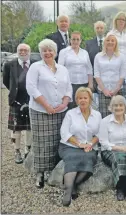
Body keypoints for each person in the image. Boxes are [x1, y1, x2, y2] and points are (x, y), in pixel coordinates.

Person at [26, 38, 72, 188]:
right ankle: (40, 173)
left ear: (55, 52)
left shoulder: (63, 69)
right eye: (44, 50)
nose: (47, 53)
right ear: (40, 53)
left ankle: (52, 171)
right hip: (40, 111)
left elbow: (68, 88)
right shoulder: (35, 67)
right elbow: (31, 88)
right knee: (41, 143)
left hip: (60, 111)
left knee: (56, 141)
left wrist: (65, 103)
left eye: (50, 50)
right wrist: (46, 106)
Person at [59, 87, 101, 206]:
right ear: (76, 100)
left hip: (89, 146)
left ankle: (74, 185)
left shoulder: (97, 115)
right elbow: (64, 132)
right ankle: (68, 191)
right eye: (80, 98)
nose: (83, 100)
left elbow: (99, 134)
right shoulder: (70, 114)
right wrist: (79, 144)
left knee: (88, 159)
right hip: (69, 146)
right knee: (72, 158)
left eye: (85, 98)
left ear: (90, 99)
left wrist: (90, 144)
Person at [99, 95, 126, 201]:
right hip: (110, 150)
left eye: (121, 105)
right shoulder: (105, 121)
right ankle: (120, 189)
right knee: (119, 159)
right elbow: (103, 142)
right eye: (115, 105)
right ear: (111, 108)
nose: (118, 108)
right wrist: (120, 148)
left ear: (125, 107)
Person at [3, 43, 36, 164]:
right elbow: (6, 81)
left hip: (32, 99)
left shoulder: (35, 64)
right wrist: (14, 91)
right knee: (15, 128)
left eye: (25, 50)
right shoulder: (9, 65)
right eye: (20, 50)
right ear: (17, 51)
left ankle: (28, 149)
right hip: (16, 100)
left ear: (29, 51)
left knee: (30, 127)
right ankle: (17, 151)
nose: (23, 52)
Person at [94, 33, 126, 118]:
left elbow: (122, 75)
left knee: (119, 116)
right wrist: (104, 90)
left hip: (118, 91)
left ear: (116, 43)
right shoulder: (98, 56)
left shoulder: (121, 57)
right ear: (104, 42)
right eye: (108, 40)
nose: (110, 42)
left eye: (113, 40)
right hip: (103, 91)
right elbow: (97, 75)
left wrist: (116, 89)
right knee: (105, 117)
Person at [58, 31, 93, 109]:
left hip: (84, 84)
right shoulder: (64, 52)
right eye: (73, 39)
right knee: (71, 107)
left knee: (83, 107)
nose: (75, 41)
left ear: (80, 41)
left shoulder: (85, 53)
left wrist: (90, 84)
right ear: (70, 40)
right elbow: (60, 69)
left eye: (78, 39)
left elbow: (89, 69)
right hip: (70, 84)